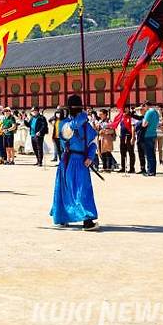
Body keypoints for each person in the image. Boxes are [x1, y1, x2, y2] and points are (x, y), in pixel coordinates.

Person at [51, 94, 99, 231]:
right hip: (68, 160)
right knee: (65, 189)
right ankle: (62, 217)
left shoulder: (86, 125)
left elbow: (93, 141)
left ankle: (87, 220)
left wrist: (90, 156)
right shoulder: (65, 123)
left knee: (83, 189)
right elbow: (66, 134)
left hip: (81, 160)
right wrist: (82, 118)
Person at [141, 102, 159, 176]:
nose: (143, 109)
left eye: (143, 107)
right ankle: (153, 170)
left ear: (146, 106)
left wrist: (144, 118)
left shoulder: (148, 112)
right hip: (154, 134)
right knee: (153, 154)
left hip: (147, 135)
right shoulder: (156, 112)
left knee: (149, 154)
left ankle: (150, 171)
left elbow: (144, 124)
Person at [117, 106, 136, 173]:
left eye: (126, 108)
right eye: (123, 108)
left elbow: (133, 127)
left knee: (131, 152)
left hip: (129, 137)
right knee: (122, 152)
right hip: (122, 137)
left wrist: (133, 137)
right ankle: (123, 167)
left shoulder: (131, 116)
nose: (124, 109)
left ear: (128, 108)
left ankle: (132, 168)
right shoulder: (121, 116)